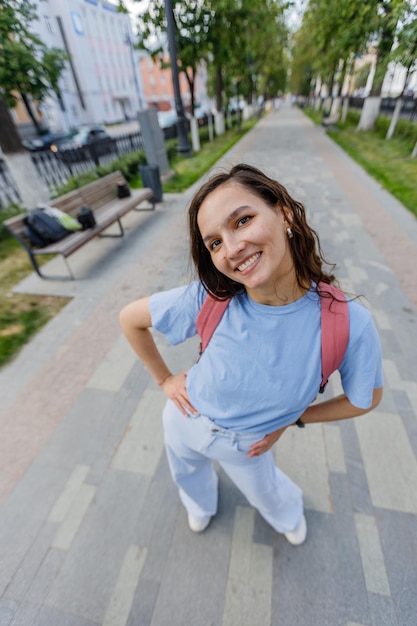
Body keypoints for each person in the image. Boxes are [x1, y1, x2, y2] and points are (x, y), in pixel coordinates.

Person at [119, 163, 383, 545]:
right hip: (182, 418)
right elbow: (130, 319)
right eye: (214, 242)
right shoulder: (210, 297)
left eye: (242, 221)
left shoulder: (348, 323)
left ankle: (288, 516)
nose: (232, 248)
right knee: (186, 472)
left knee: (267, 491)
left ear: (285, 214)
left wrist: (294, 418)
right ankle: (199, 504)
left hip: (248, 444)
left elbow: (365, 398)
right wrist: (164, 379)